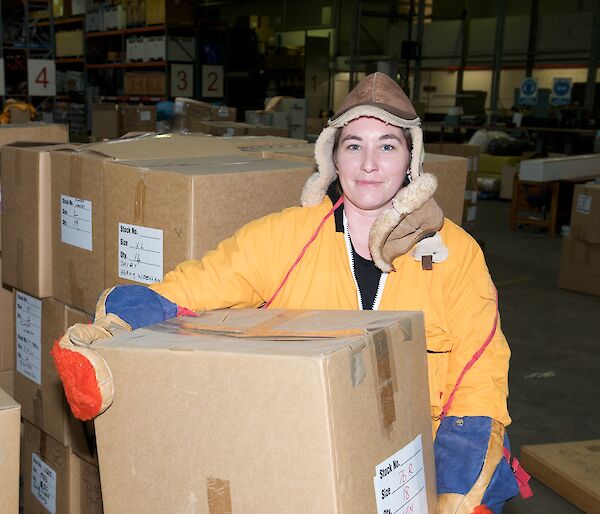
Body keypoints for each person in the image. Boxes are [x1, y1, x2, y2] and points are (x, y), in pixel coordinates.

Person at [53, 73, 530, 514]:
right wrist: (111, 332)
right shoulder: (287, 236)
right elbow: (196, 286)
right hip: (307, 458)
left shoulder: (456, 254)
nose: (368, 164)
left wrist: (458, 489)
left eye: (387, 146)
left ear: (411, 159)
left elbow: (479, 371)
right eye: (353, 145)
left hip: (410, 465)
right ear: (332, 157)